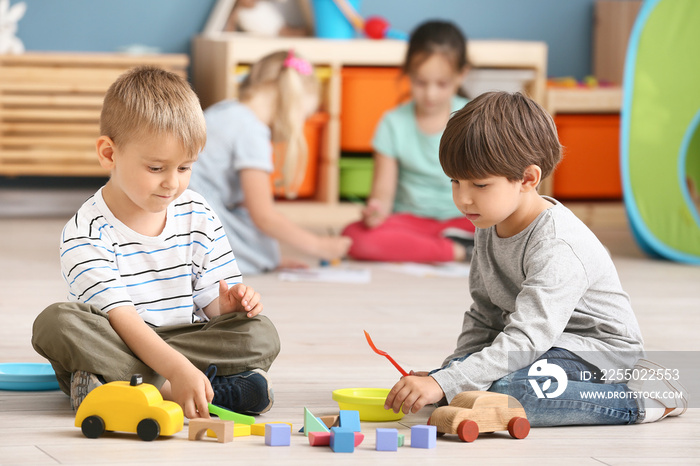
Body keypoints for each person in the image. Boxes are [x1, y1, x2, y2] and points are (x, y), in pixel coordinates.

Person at [384, 91, 688, 426]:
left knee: (512, 389)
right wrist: (452, 372)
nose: (463, 198)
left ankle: (647, 400)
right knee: (470, 383)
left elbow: (529, 339)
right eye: (456, 182)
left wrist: (448, 381)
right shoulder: (488, 220)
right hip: (543, 343)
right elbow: (484, 314)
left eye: (480, 185)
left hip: (599, 353)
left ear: (528, 179)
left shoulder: (557, 245)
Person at [31, 66, 281, 420]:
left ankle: (118, 386)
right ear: (109, 154)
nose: (172, 184)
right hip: (116, 336)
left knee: (261, 333)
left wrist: (226, 306)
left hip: (182, 339)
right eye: (156, 168)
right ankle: (177, 390)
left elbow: (209, 302)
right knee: (56, 323)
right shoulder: (86, 231)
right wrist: (177, 373)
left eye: (184, 168)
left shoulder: (197, 212)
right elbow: (124, 322)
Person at [189, 50, 351, 274]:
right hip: (195, 215)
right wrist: (320, 245)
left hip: (182, 205)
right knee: (242, 238)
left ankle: (263, 259)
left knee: (249, 227)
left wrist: (269, 255)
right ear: (290, 102)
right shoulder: (253, 131)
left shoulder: (226, 109)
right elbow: (264, 216)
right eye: (303, 117)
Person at [342, 20, 475, 263]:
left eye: (442, 84)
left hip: (467, 221)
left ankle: (453, 245)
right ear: (408, 73)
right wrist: (376, 211)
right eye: (421, 82)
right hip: (411, 223)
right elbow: (382, 192)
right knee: (353, 236)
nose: (430, 94)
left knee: (509, 228)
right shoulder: (392, 123)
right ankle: (458, 251)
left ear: (461, 74)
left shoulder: (472, 118)